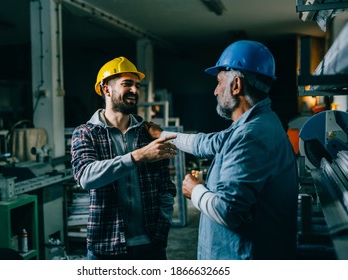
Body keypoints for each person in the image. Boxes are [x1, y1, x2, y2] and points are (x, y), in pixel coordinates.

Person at [147, 40, 299, 260]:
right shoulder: (257, 123)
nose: (216, 91)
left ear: (236, 85)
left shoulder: (250, 136)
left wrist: (195, 190)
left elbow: (229, 212)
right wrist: (160, 135)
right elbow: (206, 143)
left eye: (219, 82)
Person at [70, 56, 177, 260]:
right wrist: (138, 156)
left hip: (150, 243)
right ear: (106, 89)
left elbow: (165, 187)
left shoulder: (149, 133)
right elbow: (85, 176)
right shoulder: (86, 133)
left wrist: (162, 228)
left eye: (137, 85)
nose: (135, 91)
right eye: (127, 84)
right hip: (105, 245)